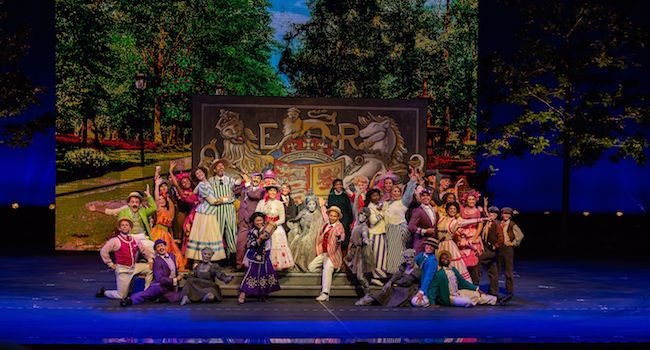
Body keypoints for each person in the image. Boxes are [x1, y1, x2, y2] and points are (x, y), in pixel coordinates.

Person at [96, 215, 153, 300]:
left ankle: (146, 293)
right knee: (122, 296)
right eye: (122, 225)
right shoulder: (115, 241)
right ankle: (104, 292)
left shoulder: (135, 240)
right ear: (119, 228)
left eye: (127, 225)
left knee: (150, 268)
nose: (125, 226)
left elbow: (143, 250)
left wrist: (150, 260)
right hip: (123, 270)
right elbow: (103, 251)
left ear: (130, 227)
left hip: (134, 267)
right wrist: (110, 264)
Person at [89, 187, 156, 252]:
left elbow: (154, 209)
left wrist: (149, 195)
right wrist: (96, 209)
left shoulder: (144, 210)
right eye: (132, 202)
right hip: (130, 237)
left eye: (137, 201)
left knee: (152, 248)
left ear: (140, 202)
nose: (135, 204)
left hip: (142, 236)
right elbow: (112, 212)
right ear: (129, 203)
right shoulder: (124, 210)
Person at [427, 250, 503, 307]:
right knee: (467, 301)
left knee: (476, 294)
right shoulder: (439, 273)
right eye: (443, 259)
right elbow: (433, 289)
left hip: (458, 293)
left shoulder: (453, 269)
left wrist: (476, 289)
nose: (445, 260)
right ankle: (475, 300)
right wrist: (432, 303)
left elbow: (463, 282)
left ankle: (495, 300)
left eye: (446, 258)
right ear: (440, 260)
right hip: (449, 297)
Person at [120, 239, 183, 307]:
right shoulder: (157, 261)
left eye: (162, 245)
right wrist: (174, 280)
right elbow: (160, 278)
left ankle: (161, 298)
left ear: (165, 247)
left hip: (169, 287)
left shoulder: (172, 256)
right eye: (158, 247)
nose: (161, 248)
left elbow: (174, 268)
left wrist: (178, 275)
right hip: (159, 285)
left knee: (177, 296)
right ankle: (130, 300)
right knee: (147, 294)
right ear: (156, 250)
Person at [186, 166, 226, 265]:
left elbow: (194, 192)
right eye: (197, 174)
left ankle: (207, 261)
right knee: (202, 236)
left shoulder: (207, 183)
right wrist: (224, 200)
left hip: (210, 213)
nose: (199, 174)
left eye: (200, 172)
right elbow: (212, 201)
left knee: (209, 236)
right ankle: (197, 261)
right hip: (204, 213)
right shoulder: (202, 185)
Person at [238, 212, 281, 304]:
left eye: (260, 220)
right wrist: (259, 240)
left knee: (264, 275)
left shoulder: (267, 229)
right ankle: (243, 293)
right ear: (253, 222)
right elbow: (249, 245)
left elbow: (269, 241)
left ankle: (262, 294)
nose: (258, 222)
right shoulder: (252, 232)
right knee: (251, 275)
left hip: (265, 256)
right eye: (256, 220)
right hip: (255, 257)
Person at [355, 249, 421, 307]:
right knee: (387, 289)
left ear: (414, 258)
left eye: (410, 258)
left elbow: (405, 282)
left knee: (392, 294)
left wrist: (395, 282)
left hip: (408, 290)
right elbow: (397, 274)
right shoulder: (404, 266)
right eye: (406, 258)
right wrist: (390, 282)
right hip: (400, 286)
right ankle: (371, 298)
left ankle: (372, 299)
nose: (408, 261)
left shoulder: (416, 271)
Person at [309, 199, 346, 302]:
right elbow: (324, 214)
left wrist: (339, 238)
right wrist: (322, 205)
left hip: (332, 255)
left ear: (338, 217)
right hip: (324, 253)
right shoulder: (327, 223)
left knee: (327, 269)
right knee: (311, 267)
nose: (332, 217)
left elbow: (342, 235)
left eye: (335, 216)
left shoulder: (339, 226)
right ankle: (330, 269)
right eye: (331, 215)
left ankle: (325, 293)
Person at [256, 178, 294, 270]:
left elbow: (282, 219)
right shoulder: (262, 203)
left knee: (275, 244)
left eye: (274, 191)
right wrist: (262, 225)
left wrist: (272, 224)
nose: (272, 192)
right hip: (263, 227)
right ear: (267, 192)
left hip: (276, 228)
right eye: (271, 190)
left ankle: (274, 268)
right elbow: (256, 215)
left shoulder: (279, 204)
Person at [384, 168, 417, 274]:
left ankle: (401, 272)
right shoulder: (387, 203)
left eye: (398, 191)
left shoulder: (403, 202)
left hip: (399, 228)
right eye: (394, 191)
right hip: (390, 229)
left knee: (399, 251)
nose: (397, 193)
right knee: (391, 252)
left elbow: (408, 193)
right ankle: (392, 272)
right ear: (391, 192)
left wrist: (412, 181)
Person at [151, 176, 186, 271]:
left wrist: (172, 236)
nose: (161, 200)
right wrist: (157, 184)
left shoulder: (168, 211)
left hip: (166, 233)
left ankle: (173, 268)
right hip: (158, 231)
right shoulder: (158, 209)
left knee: (173, 251)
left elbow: (170, 225)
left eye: (163, 199)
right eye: (160, 199)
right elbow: (156, 197)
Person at [208, 158, 238, 265]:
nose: (221, 168)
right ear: (215, 170)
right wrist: (218, 200)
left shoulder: (231, 180)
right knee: (217, 234)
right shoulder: (211, 182)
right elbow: (210, 197)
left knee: (232, 233)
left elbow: (234, 196)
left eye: (222, 166)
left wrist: (224, 199)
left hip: (229, 209)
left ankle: (234, 261)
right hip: (217, 211)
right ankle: (218, 260)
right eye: (218, 166)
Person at [233, 172, 265, 270]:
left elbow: (253, 195)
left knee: (253, 241)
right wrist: (239, 179)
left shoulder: (261, 191)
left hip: (254, 220)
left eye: (258, 178)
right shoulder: (245, 188)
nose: (255, 179)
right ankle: (239, 263)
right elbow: (235, 190)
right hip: (243, 218)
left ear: (260, 181)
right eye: (254, 177)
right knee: (241, 241)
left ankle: (252, 264)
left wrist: (247, 182)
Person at [435, 202, 474, 282]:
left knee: (451, 262)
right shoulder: (441, 218)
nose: (452, 210)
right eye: (451, 208)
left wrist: (482, 219)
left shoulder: (456, 221)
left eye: (454, 209)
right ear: (447, 210)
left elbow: (469, 221)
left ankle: (455, 283)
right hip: (440, 245)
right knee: (439, 262)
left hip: (449, 245)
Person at [471, 205, 504, 295]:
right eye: (491, 213)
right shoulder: (487, 223)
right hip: (486, 248)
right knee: (492, 270)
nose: (492, 214)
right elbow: (484, 215)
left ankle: (475, 285)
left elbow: (501, 238)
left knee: (478, 260)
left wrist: (496, 245)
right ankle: (494, 291)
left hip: (492, 250)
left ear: (497, 215)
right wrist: (485, 206)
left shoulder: (496, 224)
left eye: (495, 213)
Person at [287, 193, 323, 272]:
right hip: (302, 233)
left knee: (304, 242)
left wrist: (307, 236)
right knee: (294, 240)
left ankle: (304, 264)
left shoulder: (317, 214)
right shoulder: (303, 212)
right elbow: (296, 221)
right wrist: (296, 229)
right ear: (307, 205)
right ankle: (293, 263)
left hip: (313, 235)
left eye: (313, 204)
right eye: (310, 204)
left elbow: (317, 228)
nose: (312, 206)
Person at [345, 204, 374, 298]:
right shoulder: (357, 223)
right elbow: (355, 208)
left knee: (360, 276)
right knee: (346, 262)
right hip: (353, 250)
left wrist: (366, 240)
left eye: (365, 216)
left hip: (360, 252)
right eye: (361, 214)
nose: (362, 217)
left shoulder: (364, 227)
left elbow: (365, 235)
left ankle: (367, 290)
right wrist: (357, 195)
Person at [168, 160, 199, 242]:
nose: (186, 183)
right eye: (183, 183)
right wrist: (171, 171)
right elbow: (176, 185)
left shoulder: (196, 189)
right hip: (193, 215)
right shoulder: (184, 194)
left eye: (187, 181)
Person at [457, 190, 485, 277]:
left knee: (474, 258)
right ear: (466, 201)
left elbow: (480, 225)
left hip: (473, 234)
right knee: (463, 258)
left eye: (473, 199)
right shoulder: (462, 210)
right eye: (469, 199)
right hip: (464, 235)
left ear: (475, 200)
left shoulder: (477, 211)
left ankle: (474, 282)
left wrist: (474, 238)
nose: (471, 201)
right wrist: (456, 187)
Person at [499, 207, 524, 299]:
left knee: (508, 271)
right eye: (505, 213)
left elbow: (520, 235)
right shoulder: (499, 223)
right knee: (496, 270)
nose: (506, 215)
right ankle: (493, 290)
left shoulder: (512, 225)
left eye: (508, 214)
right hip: (498, 249)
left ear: (510, 216)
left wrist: (513, 243)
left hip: (507, 249)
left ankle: (509, 291)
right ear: (502, 214)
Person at [408, 188, 439, 254]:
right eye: (423, 196)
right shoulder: (418, 211)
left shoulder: (434, 210)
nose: (425, 197)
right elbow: (411, 227)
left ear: (430, 197)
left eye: (427, 195)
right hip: (421, 243)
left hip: (432, 243)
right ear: (420, 198)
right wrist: (425, 231)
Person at [366, 188, 387, 285]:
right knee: (376, 257)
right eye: (374, 196)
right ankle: (375, 277)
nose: (376, 197)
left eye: (377, 195)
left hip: (380, 233)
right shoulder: (370, 208)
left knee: (381, 256)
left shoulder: (378, 206)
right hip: (375, 234)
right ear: (370, 197)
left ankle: (379, 276)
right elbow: (373, 221)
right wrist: (381, 213)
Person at [326, 179, 353, 250]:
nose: (339, 186)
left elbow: (349, 208)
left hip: (344, 219)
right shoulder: (331, 196)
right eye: (337, 184)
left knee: (344, 236)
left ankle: (343, 254)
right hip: (334, 219)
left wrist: (350, 221)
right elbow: (329, 207)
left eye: (340, 184)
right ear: (334, 186)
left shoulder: (345, 195)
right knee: (334, 236)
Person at [411, 237, 439, 307]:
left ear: (434, 248)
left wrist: (422, 291)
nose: (429, 247)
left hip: (428, 287)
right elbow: (413, 262)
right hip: (418, 283)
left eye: (432, 246)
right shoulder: (421, 255)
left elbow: (428, 277)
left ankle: (427, 301)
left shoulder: (432, 260)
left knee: (415, 302)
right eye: (428, 245)